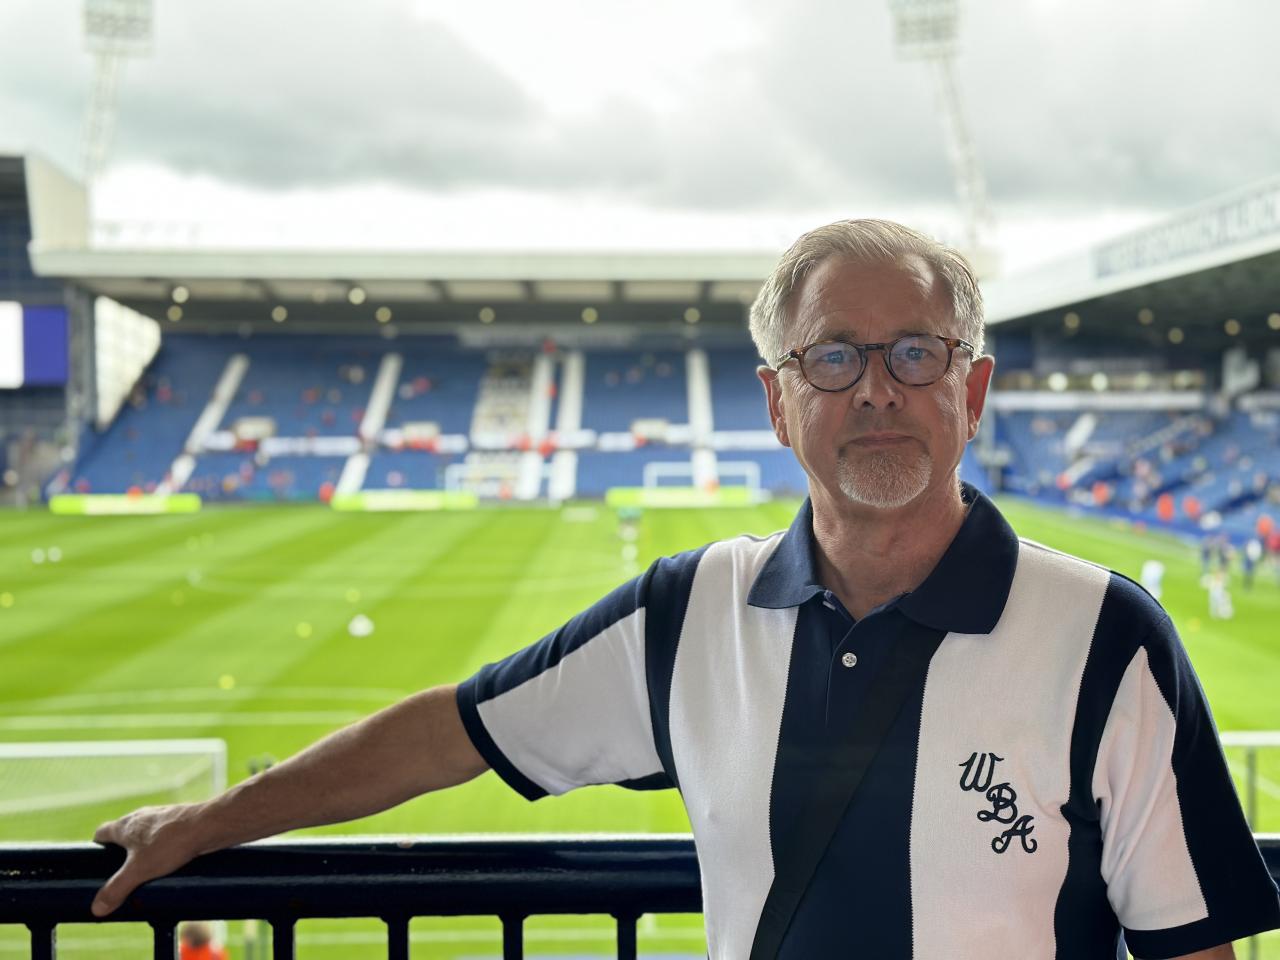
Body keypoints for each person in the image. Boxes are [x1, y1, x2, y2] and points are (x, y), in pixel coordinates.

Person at [92, 220, 1279, 958]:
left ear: (969, 396)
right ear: (777, 403)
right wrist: (207, 824)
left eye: (915, 354)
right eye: (831, 357)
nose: (874, 390)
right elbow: (454, 733)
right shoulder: (689, 613)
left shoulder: (1108, 639)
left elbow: (1189, 949)